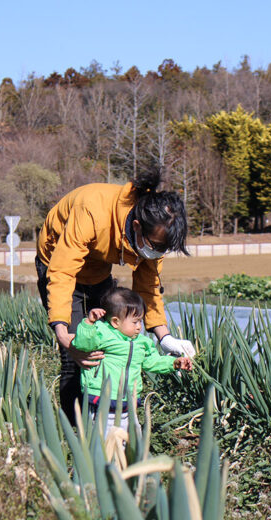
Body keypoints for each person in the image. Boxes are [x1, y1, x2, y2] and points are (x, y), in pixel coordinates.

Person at [36, 169, 197, 422]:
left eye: (163, 250)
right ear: (136, 226)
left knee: (110, 345)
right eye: (155, 247)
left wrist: (164, 338)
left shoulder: (150, 236)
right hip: (56, 263)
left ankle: (107, 421)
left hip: (97, 268)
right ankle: (75, 439)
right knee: (75, 355)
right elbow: (63, 272)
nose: (157, 253)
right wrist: (62, 331)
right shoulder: (92, 211)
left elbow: (149, 287)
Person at [71, 287, 193, 432]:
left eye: (140, 321)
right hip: (102, 398)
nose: (139, 327)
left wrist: (174, 363)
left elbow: (151, 361)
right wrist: (88, 324)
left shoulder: (142, 342)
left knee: (132, 439)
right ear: (116, 322)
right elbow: (83, 345)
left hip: (129, 401)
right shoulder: (101, 333)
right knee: (102, 440)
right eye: (135, 322)